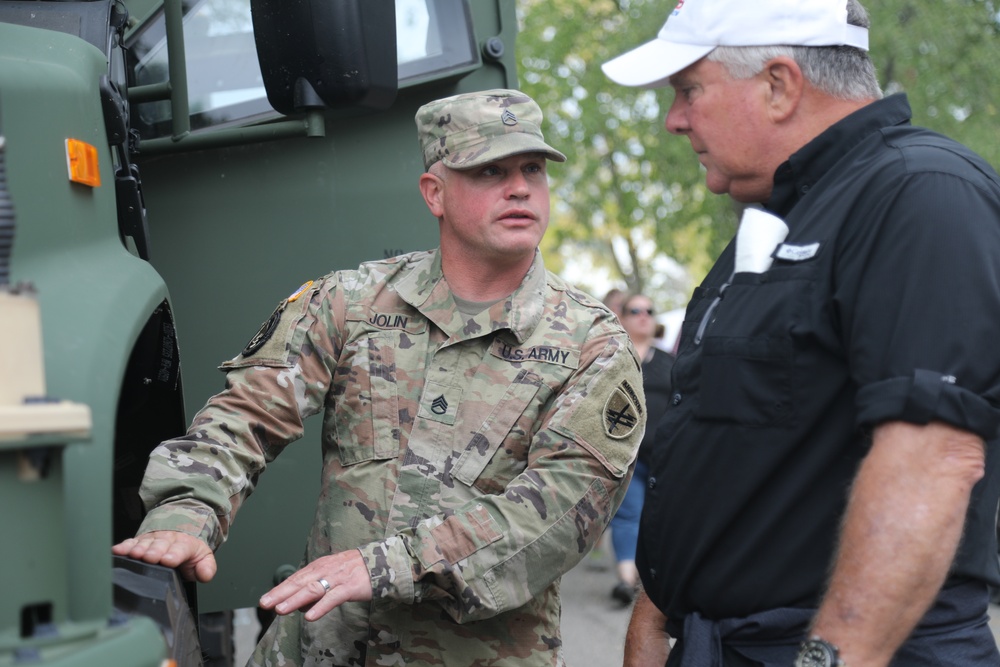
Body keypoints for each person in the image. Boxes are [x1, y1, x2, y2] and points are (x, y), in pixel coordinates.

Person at [112, 89, 646, 666]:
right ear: (434, 193)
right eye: (489, 170)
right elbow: (245, 416)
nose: (519, 188)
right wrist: (188, 512)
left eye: (532, 169)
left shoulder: (591, 345)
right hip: (320, 651)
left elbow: (555, 519)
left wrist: (382, 565)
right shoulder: (352, 302)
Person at [602, 1, 1000, 665]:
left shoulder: (919, 194)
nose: (675, 120)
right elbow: (726, 445)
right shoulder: (790, 213)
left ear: (780, 84)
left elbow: (930, 463)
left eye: (688, 89)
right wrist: (657, 611)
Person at [608, 293, 674, 606]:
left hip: (663, 456)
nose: (644, 315)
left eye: (649, 310)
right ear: (623, 317)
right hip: (627, 453)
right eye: (636, 310)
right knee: (629, 514)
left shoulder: (669, 361)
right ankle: (625, 580)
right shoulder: (612, 356)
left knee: (658, 519)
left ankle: (650, 579)